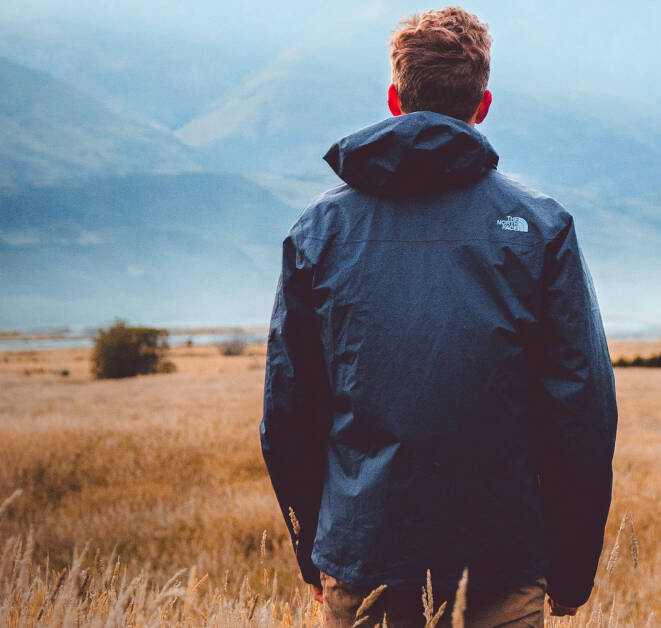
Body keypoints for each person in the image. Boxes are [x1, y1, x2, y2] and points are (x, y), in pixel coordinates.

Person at [260, 6, 618, 626]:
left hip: (362, 563)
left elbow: (287, 412)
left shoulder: (319, 231)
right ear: (482, 105)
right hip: (504, 565)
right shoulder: (540, 227)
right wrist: (571, 569)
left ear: (395, 99)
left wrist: (316, 553)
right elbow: (582, 409)